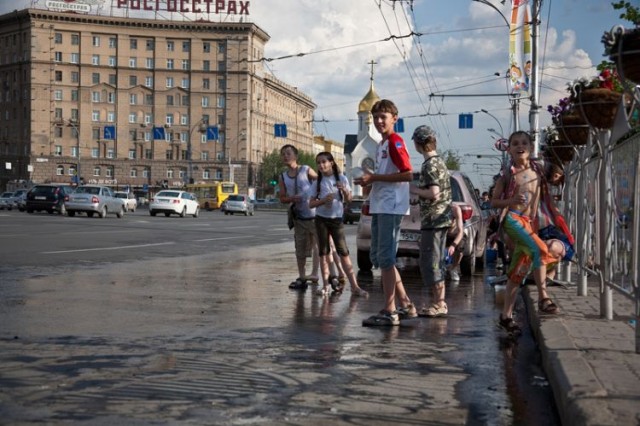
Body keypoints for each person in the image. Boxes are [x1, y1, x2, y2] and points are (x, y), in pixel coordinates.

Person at [491, 131, 560, 336]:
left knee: (517, 272)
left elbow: (556, 173)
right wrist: (510, 202)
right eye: (515, 144)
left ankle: (506, 316)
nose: (519, 146)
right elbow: (494, 201)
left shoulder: (538, 170)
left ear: (531, 147)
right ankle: (543, 297)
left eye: (524, 143)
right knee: (539, 249)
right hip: (513, 219)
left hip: (529, 224)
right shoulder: (507, 174)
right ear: (509, 149)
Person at [355, 99, 416, 326]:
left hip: (391, 207)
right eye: (376, 117)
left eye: (384, 117)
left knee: (387, 259)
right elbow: (387, 176)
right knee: (380, 258)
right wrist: (369, 182)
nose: (379, 121)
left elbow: (408, 174)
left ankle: (390, 311)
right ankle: (407, 305)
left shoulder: (395, 142)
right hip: (381, 206)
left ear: (394, 119)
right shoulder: (382, 144)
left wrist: (374, 178)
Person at [309, 151, 368, 297]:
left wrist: (345, 191)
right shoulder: (317, 182)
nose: (321, 165)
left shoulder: (341, 178)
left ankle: (355, 286)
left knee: (344, 252)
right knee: (323, 253)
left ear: (331, 163)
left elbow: (348, 200)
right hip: (321, 219)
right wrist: (322, 201)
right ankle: (325, 286)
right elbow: (310, 204)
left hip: (336, 220)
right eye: (319, 162)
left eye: (324, 161)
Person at [409, 125, 453, 317]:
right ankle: (438, 302)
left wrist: (415, 190)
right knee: (436, 259)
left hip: (433, 220)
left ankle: (439, 303)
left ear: (418, 143)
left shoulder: (429, 165)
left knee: (432, 261)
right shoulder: (440, 162)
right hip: (441, 218)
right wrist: (419, 196)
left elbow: (434, 193)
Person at [278, 144, 320, 290]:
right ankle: (302, 277)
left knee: (318, 245)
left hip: (314, 215)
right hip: (299, 217)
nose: (285, 156)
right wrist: (291, 199)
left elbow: (320, 180)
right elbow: (282, 198)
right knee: (300, 248)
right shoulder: (283, 176)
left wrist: (315, 195)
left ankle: (315, 274)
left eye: (288, 153)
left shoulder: (306, 169)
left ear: (296, 156)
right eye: (283, 154)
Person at [445, 203, 465, 281]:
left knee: (460, 251)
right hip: (443, 234)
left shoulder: (455, 209)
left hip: (455, 234)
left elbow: (461, 231)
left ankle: (454, 268)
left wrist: (453, 245)